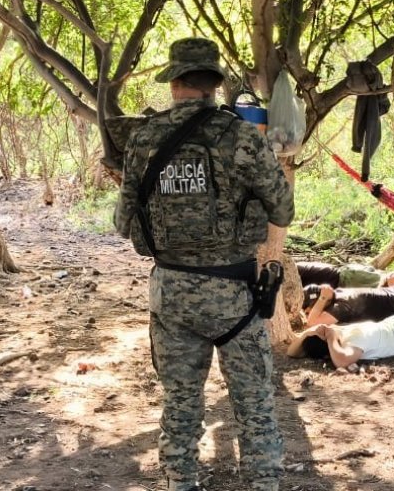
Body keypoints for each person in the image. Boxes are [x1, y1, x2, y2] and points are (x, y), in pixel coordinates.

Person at [114, 38, 295, 491]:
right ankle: (264, 484)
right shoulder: (238, 136)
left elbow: (122, 223)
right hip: (234, 298)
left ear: (174, 82)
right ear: (215, 83)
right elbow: (283, 211)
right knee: (254, 404)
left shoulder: (143, 138)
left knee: (180, 403)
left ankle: (179, 481)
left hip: (171, 294)